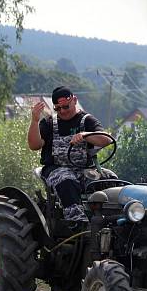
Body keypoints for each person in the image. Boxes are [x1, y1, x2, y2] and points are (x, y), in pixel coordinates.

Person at [27, 86, 110, 222]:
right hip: (55, 169)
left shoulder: (86, 120)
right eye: (58, 108)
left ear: (74, 100)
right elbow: (34, 145)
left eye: (66, 107)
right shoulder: (49, 123)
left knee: (109, 179)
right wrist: (35, 121)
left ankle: (111, 219)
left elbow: (105, 140)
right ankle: (77, 222)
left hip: (84, 170)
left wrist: (85, 135)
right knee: (66, 179)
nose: (63, 111)